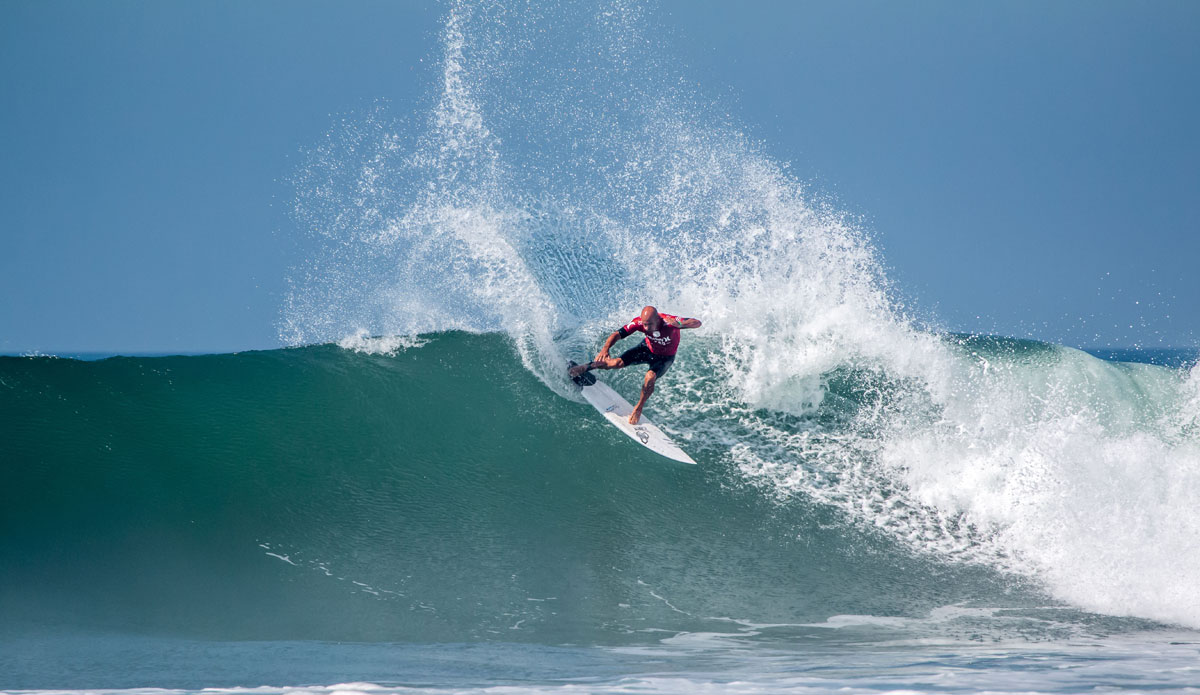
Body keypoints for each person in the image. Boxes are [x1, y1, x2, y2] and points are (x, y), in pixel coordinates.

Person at [569, 306, 702, 424]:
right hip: (646, 349)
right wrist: (605, 349)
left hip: (664, 358)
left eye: (649, 325)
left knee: (650, 377)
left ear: (658, 320)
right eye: (644, 325)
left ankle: (638, 408)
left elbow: (697, 323)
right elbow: (617, 334)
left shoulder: (670, 321)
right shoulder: (640, 322)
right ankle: (586, 367)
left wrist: (680, 325)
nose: (645, 328)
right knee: (616, 362)